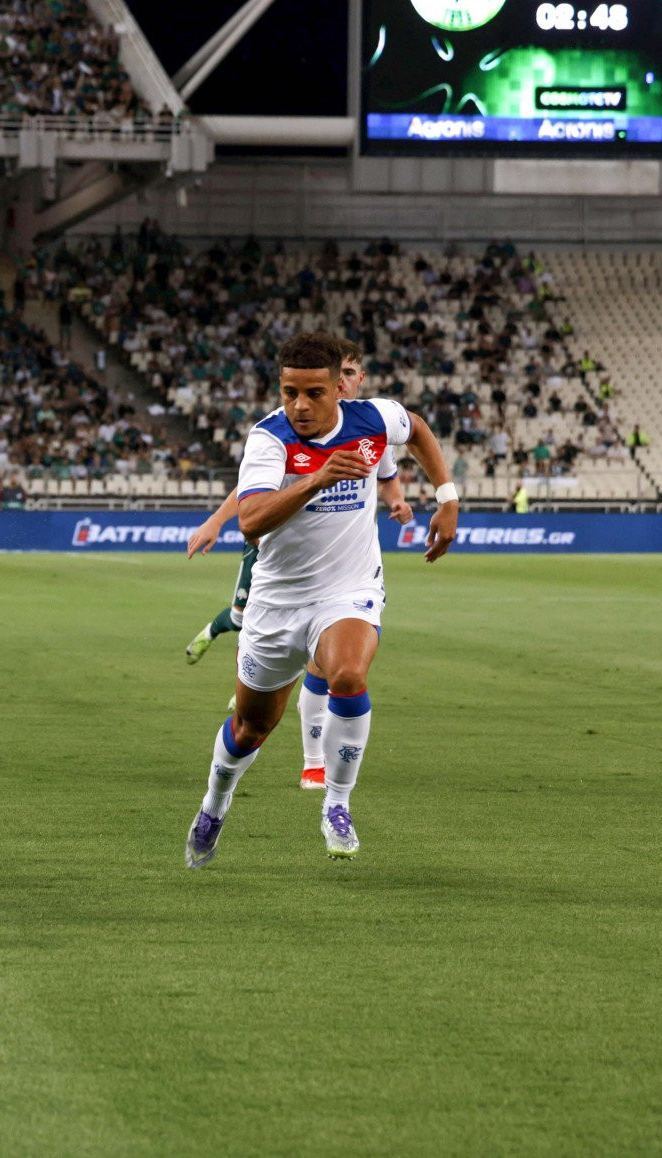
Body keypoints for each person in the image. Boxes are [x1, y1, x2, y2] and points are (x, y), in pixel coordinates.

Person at [184, 333, 458, 868]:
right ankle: (215, 803)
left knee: (348, 676)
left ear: (339, 388)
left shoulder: (374, 418)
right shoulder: (269, 439)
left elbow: (418, 429)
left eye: (313, 393)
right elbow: (251, 521)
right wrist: (316, 478)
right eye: (289, 392)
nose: (300, 405)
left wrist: (447, 498)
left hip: (348, 590)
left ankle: (337, 803)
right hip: (277, 601)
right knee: (250, 728)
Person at [182, 340, 412, 791]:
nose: (343, 383)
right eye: (294, 391)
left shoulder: (372, 425)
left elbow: (388, 472)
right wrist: (216, 520)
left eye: (349, 375)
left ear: (353, 380)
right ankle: (228, 649)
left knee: (331, 667)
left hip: (344, 581)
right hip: (276, 559)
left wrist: (404, 501)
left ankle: (315, 766)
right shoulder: (277, 433)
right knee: (243, 620)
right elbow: (251, 496)